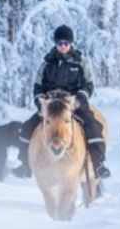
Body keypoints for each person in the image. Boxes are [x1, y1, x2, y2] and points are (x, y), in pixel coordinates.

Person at [12, 25, 109, 179]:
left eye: (66, 43)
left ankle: (99, 164)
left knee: (94, 125)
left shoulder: (80, 61)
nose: (63, 46)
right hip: (50, 105)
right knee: (27, 127)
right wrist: (40, 102)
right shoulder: (47, 63)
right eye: (59, 43)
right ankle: (25, 164)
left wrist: (80, 99)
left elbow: (89, 84)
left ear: (71, 44)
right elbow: (38, 85)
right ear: (55, 44)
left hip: (73, 104)